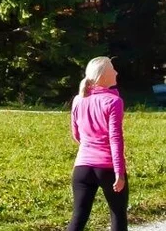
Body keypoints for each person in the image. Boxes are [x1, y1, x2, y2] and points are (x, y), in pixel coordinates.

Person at [69, 57, 128, 231]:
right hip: (107, 168)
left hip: (82, 167)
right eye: (112, 69)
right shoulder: (114, 102)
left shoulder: (78, 100)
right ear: (103, 75)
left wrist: (89, 148)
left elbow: (76, 134)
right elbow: (115, 139)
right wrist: (119, 173)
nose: (116, 72)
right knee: (118, 216)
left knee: (78, 218)